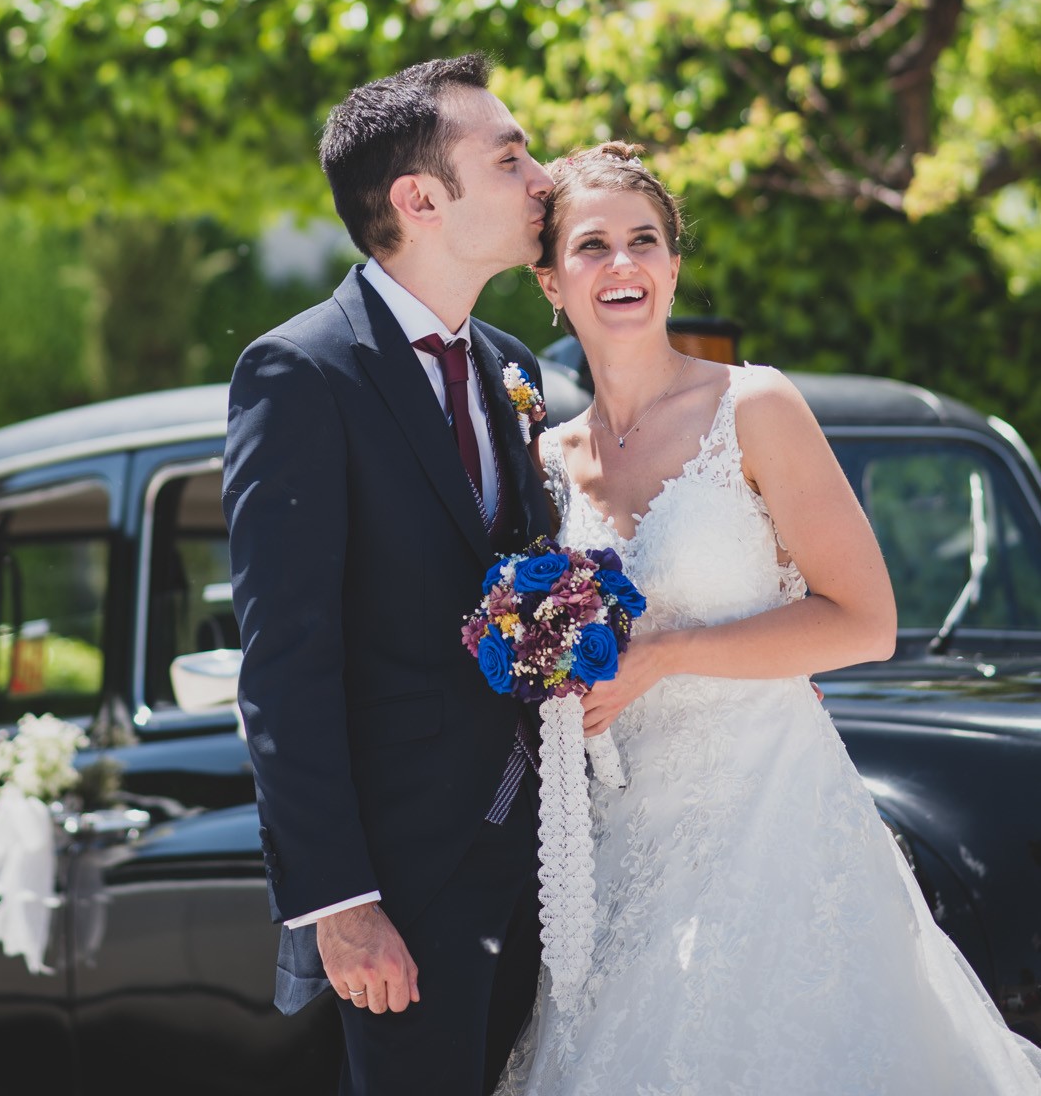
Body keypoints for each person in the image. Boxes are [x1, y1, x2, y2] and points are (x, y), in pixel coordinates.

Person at [500, 139, 1041, 1096]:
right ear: (549, 280)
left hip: (771, 820)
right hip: (617, 845)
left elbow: (864, 623)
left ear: (671, 263)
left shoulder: (752, 405)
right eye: (590, 246)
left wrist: (663, 654)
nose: (621, 264)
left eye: (644, 241)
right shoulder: (543, 458)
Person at [224, 54, 555, 1096]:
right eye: (509, 156)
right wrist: (342, 905)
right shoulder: (301, 371)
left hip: (551, 865)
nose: (542, 176)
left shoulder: (515, 366)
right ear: (419, 198)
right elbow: (286, 658)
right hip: (405, 888)